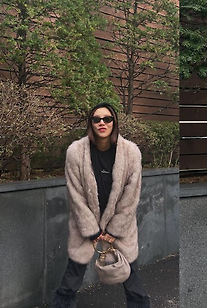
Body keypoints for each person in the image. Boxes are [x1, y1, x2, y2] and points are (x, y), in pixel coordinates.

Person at [51, 102, 151, 308]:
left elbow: (131, 196)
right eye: (96, 119)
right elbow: (75, 194)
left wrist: (115, 229)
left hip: (119, 225)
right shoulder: (75, 152)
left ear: (115, 122)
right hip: (86, 224)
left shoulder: (131, 152)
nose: (102, 123)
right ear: (90, 123)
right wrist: (91, 230)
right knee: (73, 274)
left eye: (107, 119)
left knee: (132, 278)